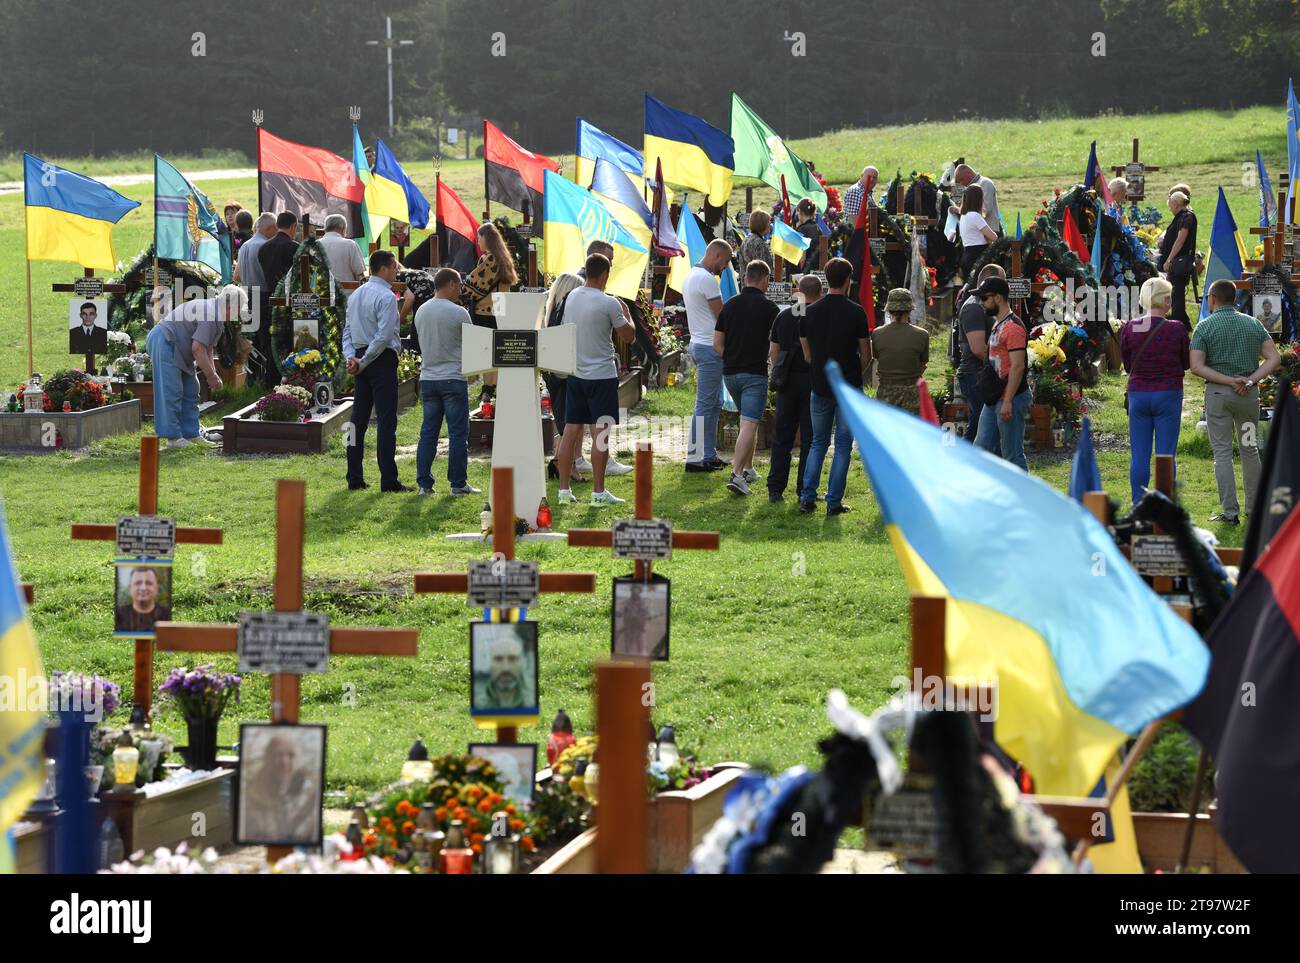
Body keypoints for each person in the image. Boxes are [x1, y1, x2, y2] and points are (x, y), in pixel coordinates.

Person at [1190, 278, 1281, 524]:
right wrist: (1250, 381)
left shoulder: (1204, 327)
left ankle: (1230, 513)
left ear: (1212, 299)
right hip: (1248, 398)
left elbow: (1196, 366)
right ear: (1234, 299)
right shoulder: (1253, 324)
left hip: (1218, 397)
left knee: (1222, 454)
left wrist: (1228, 381)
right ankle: (1254, 509)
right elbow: (1274, 359)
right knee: (1250, 450)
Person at [555, 253, 635, 506]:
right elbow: (629, 336)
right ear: (605, 275)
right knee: (600, 436)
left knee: (569, 433)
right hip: (601, 376)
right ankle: (598, 492)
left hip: (576, 374)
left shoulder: (571, 297)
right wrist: (627, 313)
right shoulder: (609, 303)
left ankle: (564, 491)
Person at [799, 257, 871, 516]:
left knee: (818, 442)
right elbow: (866, 354)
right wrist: (853, 373)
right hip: (848, 387)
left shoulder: (809, 311)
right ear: (848, 280)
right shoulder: (856, 312)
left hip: (819, 384)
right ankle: (833, 501)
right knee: (842, 444)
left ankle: (807, 497)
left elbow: (807, 354)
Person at [147, 285, 245, 447]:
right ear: (231, 306)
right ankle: (173, 438)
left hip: (179, 347)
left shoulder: (217, 316)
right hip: (165, 341)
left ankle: (191, 433)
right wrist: (211, 376)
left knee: (191, 388)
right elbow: (198, 348)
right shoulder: (210, 313)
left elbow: (207, 348)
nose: (239, 313)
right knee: (172, 390)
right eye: (239, 308)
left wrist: (213, 374)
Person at [1122, 276, 1190, 505]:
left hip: (1138, 394)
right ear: (1167, 300)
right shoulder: (1177, 328)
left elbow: (1127, 364)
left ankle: (1138, 504)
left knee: (1139, 456)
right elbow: (1186, 362)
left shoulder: (1131, 327)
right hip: (1168, 393)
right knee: (1165, 454)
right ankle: (1164, 506)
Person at [344, 249, 408, 492]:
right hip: (378, 359)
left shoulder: (356, 294)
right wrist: (364, 360)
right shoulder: (386, 296)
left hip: (360, 356)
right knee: (386, 419)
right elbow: (383, 336)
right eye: (394, 268)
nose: (396, 272)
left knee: (356, 421)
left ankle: (354, 476)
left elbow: (347, 331)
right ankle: (389, 479)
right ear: (383, 268)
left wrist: (351, 357)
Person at [412, 268, 480, 497]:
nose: (460, 289)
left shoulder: (421, 310)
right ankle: (458, 483)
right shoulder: (459, 312)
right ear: (450, 284)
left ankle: (424, 484)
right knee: (458, 433)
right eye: (459, 284)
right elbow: (472, 344)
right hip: (453, 376)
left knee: (428, 433)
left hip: (429, 377)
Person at [715, 259, 780, 496]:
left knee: (747, 422)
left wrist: (732, 358)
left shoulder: (729, 305)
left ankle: (750, 468)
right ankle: (737, 474)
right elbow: (775, 346)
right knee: (750, 424)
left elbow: (717, 344)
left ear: (745, 278)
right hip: (754, 373)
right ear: (764, 280)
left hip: (730, 373)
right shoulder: (770, 308)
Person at [768, 273, 821, 504]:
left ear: (798, 291)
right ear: (820, 293)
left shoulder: (784, 315)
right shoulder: (821, 316)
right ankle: (804, 488)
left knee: (782, 437)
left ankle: (775, 489)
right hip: (812, 380)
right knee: (810, 438)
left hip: (787, 382)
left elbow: (773, 351)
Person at [684, 239, 735, 472]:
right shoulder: (707, 279)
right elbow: (722, 316)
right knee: (705, 404)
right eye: (724, 262)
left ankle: (708, 453)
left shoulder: (692, 275)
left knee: (713, 403)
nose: (724, 268)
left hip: (699, 343)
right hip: (709, 347)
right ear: (716, 256)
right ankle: (695, 457)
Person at [973, 277, 1031, 470]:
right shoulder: (998, 324)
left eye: (984, 298)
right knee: (980, 448)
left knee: (1012, 455)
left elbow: (1017, 367)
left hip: (1010, 397)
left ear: (998, 298)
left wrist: (1008, 400)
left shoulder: (1013, 328)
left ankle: (1022, 498)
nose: (981, 302)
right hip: (994, 397)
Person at [460, 222, 518, 404]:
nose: (478, 241)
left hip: (485, 312)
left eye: (480, 237)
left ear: (487, 238)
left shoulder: (489, 260)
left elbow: (472, 286)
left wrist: (459, 293)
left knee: (486, 353)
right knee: (496, 353)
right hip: (500, 310)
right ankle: (493, 388)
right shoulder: (504, 259)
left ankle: (488, 389)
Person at [955, 263, 1006, 439]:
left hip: (984, 372)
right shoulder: (973, 307)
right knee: (980, 426)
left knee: (985, 426)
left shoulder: (986, 305)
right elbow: (978, 349)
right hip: (974, 375)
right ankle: (964, 459)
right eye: (1002, 282)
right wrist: (1004, 365)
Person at [241, 732, 321, 843]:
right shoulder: (252, 798)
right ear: (267, 757)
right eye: (278, 755)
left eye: (291, 756)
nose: (285, 762)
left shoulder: (307, 794)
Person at [256, 211, 300, 386]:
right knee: (289, 343)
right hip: (291, 303)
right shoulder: (294, 247)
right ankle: (291, 380)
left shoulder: (264, 248)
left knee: (273, 342)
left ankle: (271, 381)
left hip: (271, 299)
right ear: (293, 226)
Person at [871, 288, 930, 414]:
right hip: (912, 393)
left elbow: (877, 357)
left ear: (888, 309)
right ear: (909, 310)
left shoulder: (877, 334)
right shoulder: (922, 335)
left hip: (885, 392)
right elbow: (923, 362)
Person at [1159, 190, 1197, 327]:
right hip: (1178, 260)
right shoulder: (1182, 216)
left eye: (1170, 205)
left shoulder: (1186, 217)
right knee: (1175, 292)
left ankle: (1178, 322)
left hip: (1180, 261)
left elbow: (1180, 240)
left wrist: (1169, 259)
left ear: (1175, 204)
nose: (1170, 208)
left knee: (1177, 292)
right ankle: (1183, 321)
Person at [474, 629, 535, 710]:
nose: (506, 668)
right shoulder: (478, 705)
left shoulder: (531, 704)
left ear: (522, 664)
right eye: (498, 659)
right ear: (489, 664)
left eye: (512, 659)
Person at [318, 213, 366, 294]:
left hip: (321, 297)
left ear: (325, 229)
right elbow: (359, 275)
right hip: (347, 297)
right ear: (343, 229)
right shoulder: (350, 244)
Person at [958, 184, 998, 279]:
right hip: (978, 255)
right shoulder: (975, 216)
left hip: (967, 253)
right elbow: (993, 237)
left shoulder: (964, 216)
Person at [115, 566, 169, 634]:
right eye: (138, 583)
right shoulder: (120, 615)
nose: (143, 588)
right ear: (130, 588)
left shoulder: (166, 615)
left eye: (148, 583)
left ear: (157, 588)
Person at [953, 164, 1002, 234]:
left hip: (990, 231)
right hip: (976, 232)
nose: (961, 183)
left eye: (961, 179)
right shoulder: (968, 188)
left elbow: (986, 210)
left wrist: (961, 212)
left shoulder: (985, 183)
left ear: (968, 174)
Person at [235, 212, 275, 289]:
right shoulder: (266, 246)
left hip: (246, 294)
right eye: (276, 229)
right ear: (270, 228)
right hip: (262, 296)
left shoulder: (244, 245)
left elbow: (237, 277)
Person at [794, 199, 821, 271]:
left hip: (806, 269)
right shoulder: (818, 227)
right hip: (818, 268)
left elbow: (802, 258)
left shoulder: (802, 230)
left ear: (799, 211)